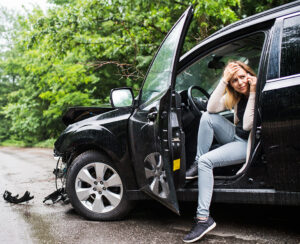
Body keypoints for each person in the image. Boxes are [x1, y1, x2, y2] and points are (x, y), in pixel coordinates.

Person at [183, 61, 257, 243]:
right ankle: (197, 161)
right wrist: (223, 80)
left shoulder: (259, 91)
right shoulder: (236, 96)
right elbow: (210, 108)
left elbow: (248, 125)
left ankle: (203, 219)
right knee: (207, 117)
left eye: (242, 77)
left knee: (206, 162)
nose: (239, 82)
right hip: (235, 136)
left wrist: (254, 91)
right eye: (234, 80)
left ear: (249, 74)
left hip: (247, 144)